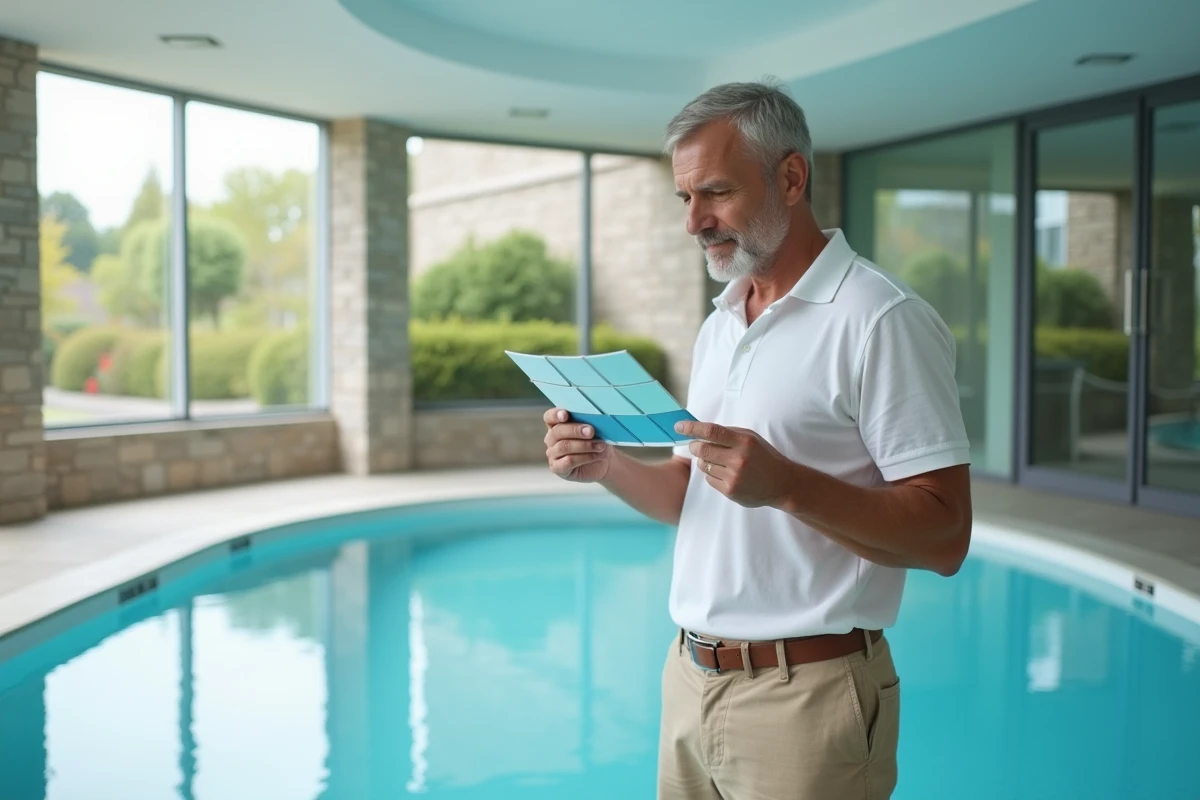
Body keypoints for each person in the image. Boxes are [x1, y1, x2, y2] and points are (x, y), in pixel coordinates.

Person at [542, 79, 972, 800]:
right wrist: (607, 464)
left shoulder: (881, 319)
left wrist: (791, 485)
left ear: (792, 177)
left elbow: (945, 537)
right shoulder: (722, 322)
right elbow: (692, 493)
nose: (694, 222)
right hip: (688, 679)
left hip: (807, 700)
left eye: (715, 193)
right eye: (685, 199)